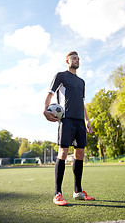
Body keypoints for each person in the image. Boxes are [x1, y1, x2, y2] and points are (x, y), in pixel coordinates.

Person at [43, 51, 95, 206]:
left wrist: (87, 121)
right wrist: (45, 110)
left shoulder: (82, 82)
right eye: (74, 58)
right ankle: (57, 194)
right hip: (66, 120)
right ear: (67, 60)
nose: (77, 60)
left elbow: (82, 103)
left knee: (80, 154)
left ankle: (78, 191)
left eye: (78, 58)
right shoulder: (61, 76)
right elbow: (49, 95)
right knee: (63, 152)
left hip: (80, 121)